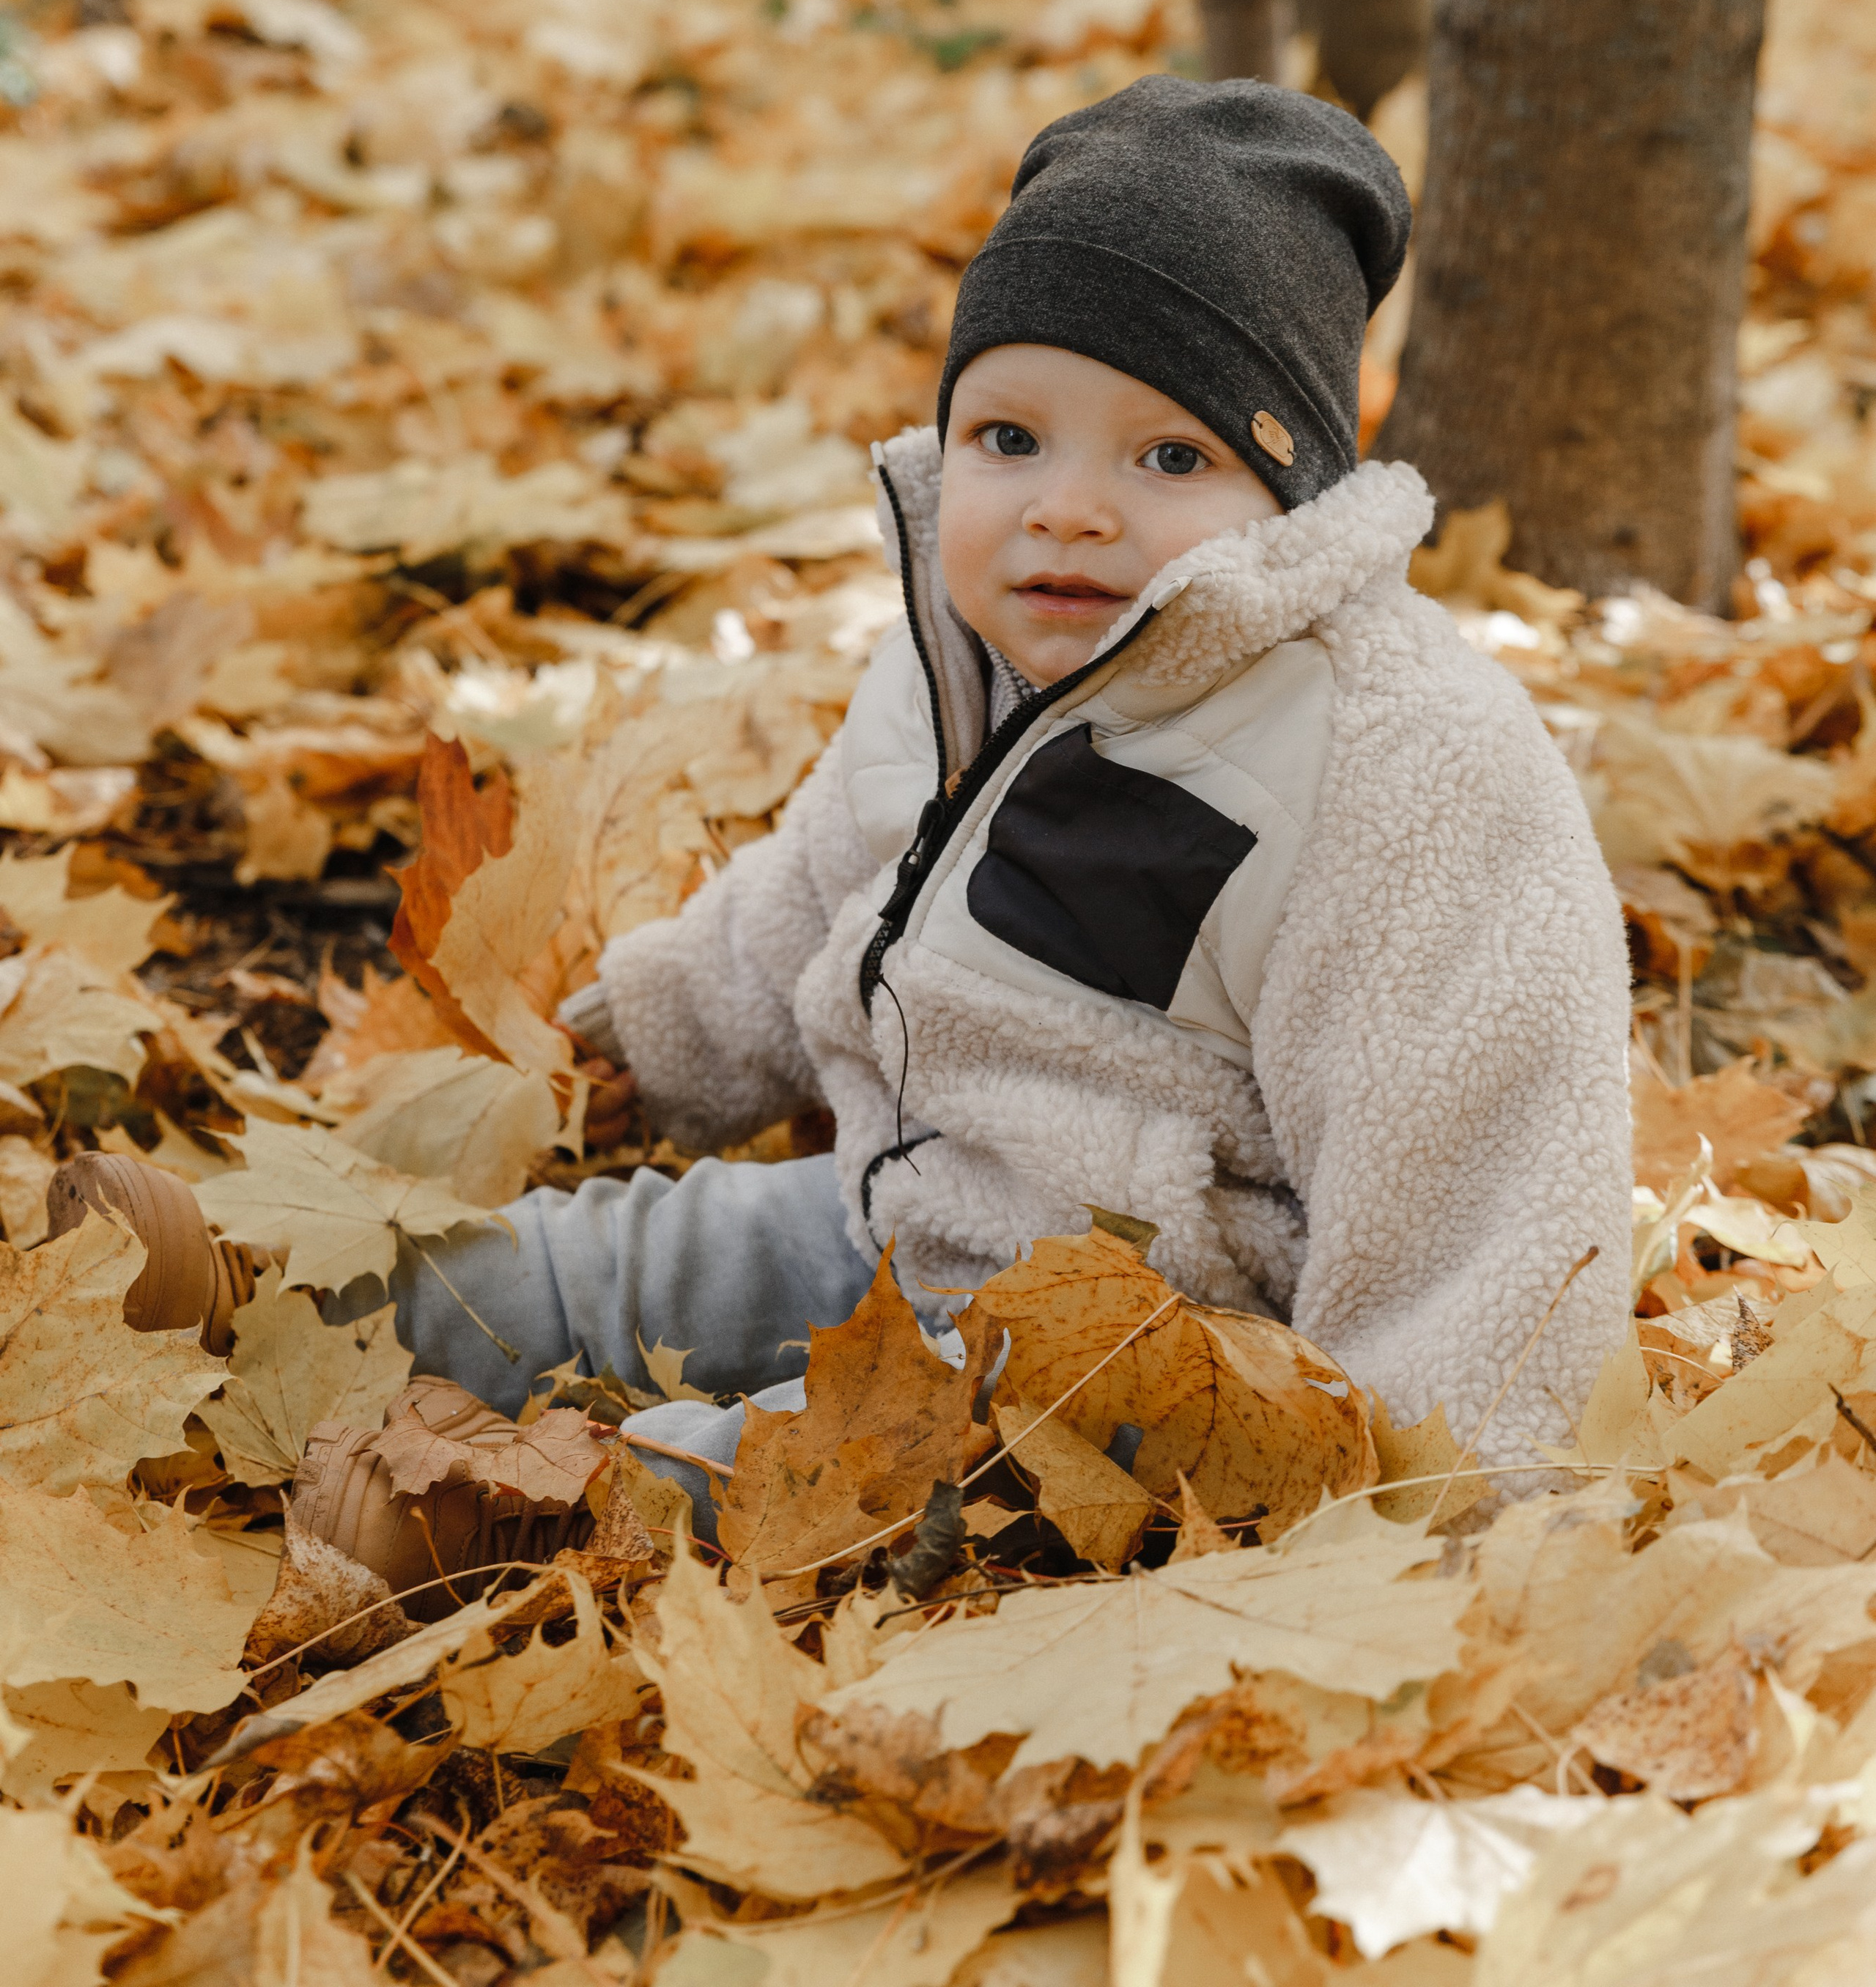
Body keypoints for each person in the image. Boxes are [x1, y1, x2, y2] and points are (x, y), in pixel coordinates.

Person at [67, 77, 1633, 1536]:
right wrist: (649, 1040)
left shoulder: (1389, 760)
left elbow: (1475, 1162)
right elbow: (821, 887)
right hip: (913, 1206)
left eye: (1169, 456)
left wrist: (1429, 1495)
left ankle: (527, 1515)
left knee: (825, 1459)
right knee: (643, 1254)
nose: (1066, 508)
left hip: (1153, 1349)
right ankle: (290, 1295)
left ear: (1292, 497)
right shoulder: (961, 652)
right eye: (1008, 439)